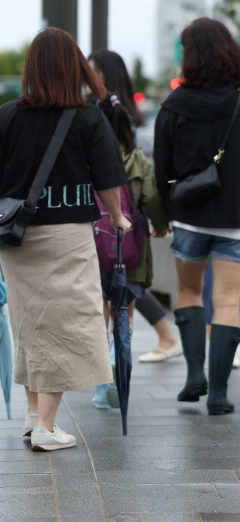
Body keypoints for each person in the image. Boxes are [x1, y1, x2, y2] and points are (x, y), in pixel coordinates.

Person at [0, 28, 131, 451]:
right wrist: (118, 217)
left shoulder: (9, 114)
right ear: (72, 66)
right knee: (64, 325)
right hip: (67, 236)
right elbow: (109, 179)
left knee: (29, 321)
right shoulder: (88, 116)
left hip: (17, 236)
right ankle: (45, 425)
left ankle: (31, 415)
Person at [154, 17, 240, 415]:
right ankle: (220, 393)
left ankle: (194, 376)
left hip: (188, 216)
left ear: (189, 56)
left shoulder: (175, 104)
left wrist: (163, 214)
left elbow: (161, 164)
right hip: (235, 219)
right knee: (229, 301)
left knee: (188, 292)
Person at [88, 49, 182, 363]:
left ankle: (104, 369)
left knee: (102, 298)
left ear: (104, 75)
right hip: (128, 231)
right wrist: (159, 221)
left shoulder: (95, 119)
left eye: (92, 71)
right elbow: (148, 188)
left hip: (94, 230)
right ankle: (120, 361)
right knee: (126, 293)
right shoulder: (131, 139)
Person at [91, 94, 170, 409]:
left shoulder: (86, 158)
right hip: (129, 249)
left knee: (99, 316)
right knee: (124, 314)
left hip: (93, 248)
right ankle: (118, 369)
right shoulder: (136, 158)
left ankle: (100, 391)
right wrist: (161, 226)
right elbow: (150, 198)